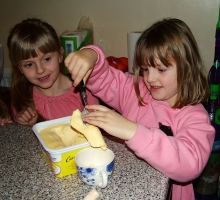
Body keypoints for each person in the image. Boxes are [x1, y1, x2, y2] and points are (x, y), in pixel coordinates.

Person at [65, 18, 215, 200]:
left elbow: (190, 164)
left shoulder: (194, 116)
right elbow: (104, 77)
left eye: (161, 69)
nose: (150, 78)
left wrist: (132, 131)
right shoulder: (135, 91)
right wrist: (91, 55)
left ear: (186, 68)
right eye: (145, 68)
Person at [7, 18, 99, 126]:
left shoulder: (84, 92)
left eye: (46, 59)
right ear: (20, 68)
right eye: (29, 64)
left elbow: (97, 133)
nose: (40, 70)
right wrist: (27, 126)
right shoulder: (22, 98)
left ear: (60, 55)